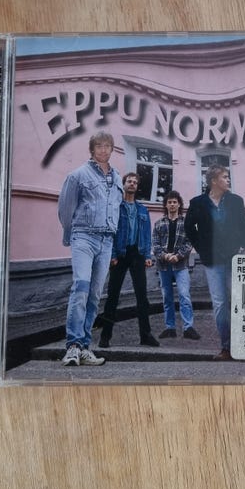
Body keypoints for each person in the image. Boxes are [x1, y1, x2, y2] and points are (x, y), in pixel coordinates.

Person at [58, 132, 123, 367]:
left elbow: (115, 210)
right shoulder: (78, 175)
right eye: (99, 146)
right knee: (81, 288)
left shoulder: (117, 178)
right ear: (92, 149)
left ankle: (85, 347)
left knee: (95, 295)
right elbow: (65, 210)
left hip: (106, 241)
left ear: (112, 149)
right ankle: (72, 347)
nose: (103, 149)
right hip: (84, 237)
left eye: (107, 146)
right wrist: (72, 235)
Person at [184, 165, 245, 360]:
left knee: (238, 301)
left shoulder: (236, 201)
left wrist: (243, 246)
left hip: (233, 258)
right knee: (220, 304)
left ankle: (244, 345)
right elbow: (189, 228)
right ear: (214, 181)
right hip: (212, 261)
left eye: (228, 177)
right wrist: (201, 248)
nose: (228, 180)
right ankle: (227, 348)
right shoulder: (197, 203)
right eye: (224, 177)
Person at [98, 172, 160, 348]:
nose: (132, 184)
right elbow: (110, 232)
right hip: (120, 254)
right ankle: (105, 336)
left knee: (142, 297)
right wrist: (112, 255)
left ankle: (145, 335)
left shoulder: (143, 210)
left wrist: (147, 256)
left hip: (137, 254)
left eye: (135, 182)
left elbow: (146, 234)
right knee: (113, 295)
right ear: (123, 184)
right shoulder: (116, 207)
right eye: (129, 181)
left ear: (137, 187)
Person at [152, 190, 200, 341]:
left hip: (181, 266)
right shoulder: (158, 224)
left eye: (175, 202)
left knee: (184, 295)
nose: (172, 204)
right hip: (163, 266)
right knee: (167, 297)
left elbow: (190, 242)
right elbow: (155, 245)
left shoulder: (186, 223)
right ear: (166, 205)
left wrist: (177, 256)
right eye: (169, 202)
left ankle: (188, 328)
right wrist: (166, 256)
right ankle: (170, 328)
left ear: (179, 204)